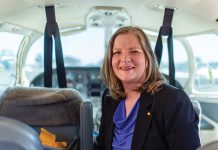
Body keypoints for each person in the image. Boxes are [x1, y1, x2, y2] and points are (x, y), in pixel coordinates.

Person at [95, 26, 201, 150]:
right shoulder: (109, 96)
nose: (124, 59)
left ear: (147, 58)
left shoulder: (173, 100)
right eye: (117, 52)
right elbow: (101, 145)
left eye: (134, 51)